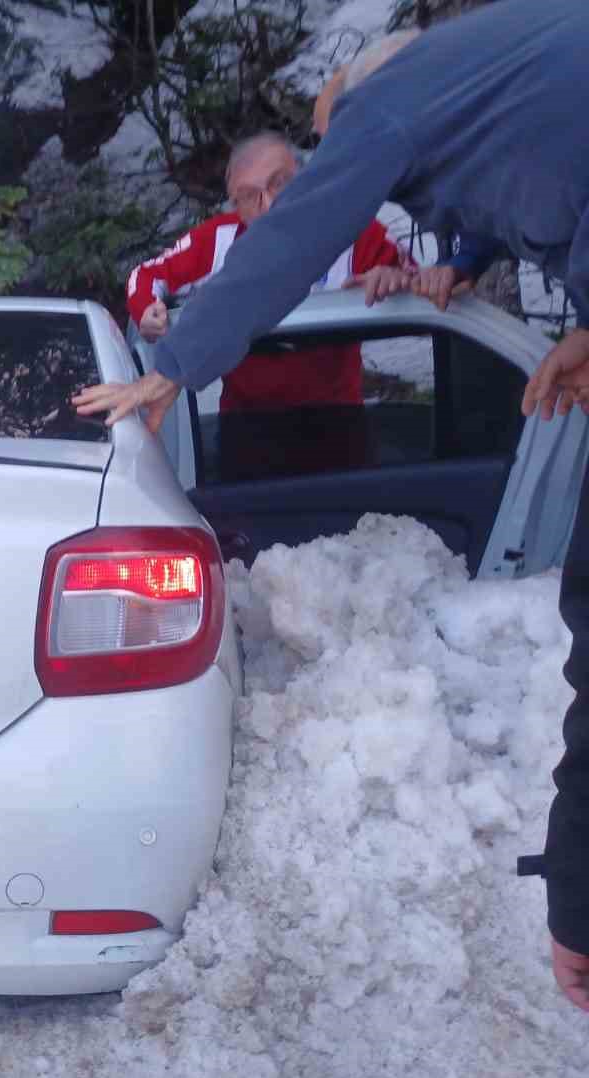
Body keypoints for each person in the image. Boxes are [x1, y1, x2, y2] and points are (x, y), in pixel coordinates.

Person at [70, 4, 589, 1014]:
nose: (323, 155)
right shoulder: (484, 80)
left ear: (352, 102)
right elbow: (498, 173)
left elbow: (301, 237)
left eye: (322, 139)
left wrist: (177, 365)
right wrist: (467, 258)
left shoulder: (384, 104)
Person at [128, 132, 408, 412]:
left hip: (338, 416)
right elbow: (146, 275)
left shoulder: (353, 230)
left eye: (279, 183)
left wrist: (391, 276)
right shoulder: (218, 240)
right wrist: (147, 309)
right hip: (245, 422)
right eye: (249, 196)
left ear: (306, 178)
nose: (270, 204)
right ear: (235, 205)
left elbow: (420, 281)